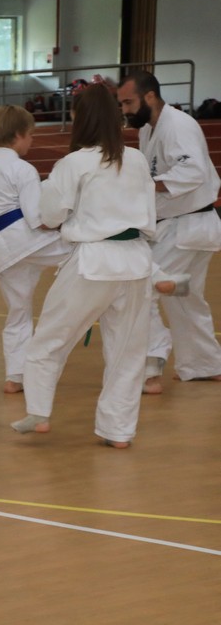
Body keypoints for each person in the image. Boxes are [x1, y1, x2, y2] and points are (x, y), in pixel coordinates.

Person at [11, 83, 156, 448]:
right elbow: (150, 213)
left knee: (50, 339)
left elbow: (50, 215)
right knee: (127, 352)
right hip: (136, 262)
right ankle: (118, 432)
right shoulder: (136, 159)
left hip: (93, 261)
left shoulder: (75, 162)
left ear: (80, 118)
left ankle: (39, 412)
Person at [116, 70, 221, 392]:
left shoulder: (178, 125)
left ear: (149, 96)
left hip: (187, 226)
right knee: (184, 298)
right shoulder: (151, 128)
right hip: (186, 227)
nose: (125, 110)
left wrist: (146, 185)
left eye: (129, 102)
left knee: (142, 287)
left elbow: (193, 171)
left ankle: (150, 367)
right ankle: (204, 364)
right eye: (122, 104)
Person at [0, 104, 70, 392]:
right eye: (30, 135)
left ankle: (15, 377)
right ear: (18, 135)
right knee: (84, 250)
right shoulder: (22, 169)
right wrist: (65, 222)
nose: (32, 141)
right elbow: (38, 219)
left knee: (18, 311)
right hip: (26, 240)